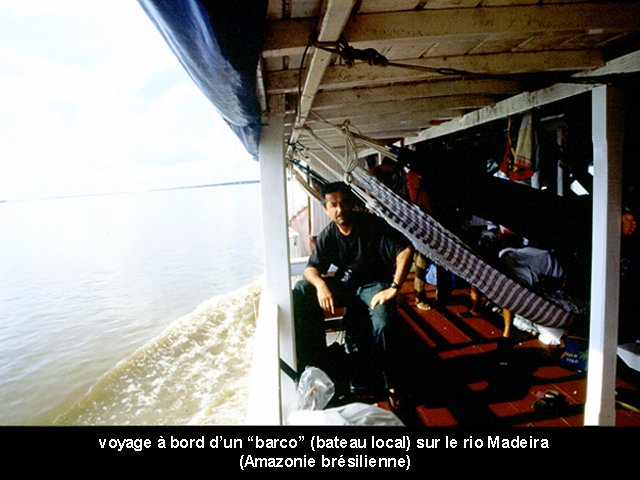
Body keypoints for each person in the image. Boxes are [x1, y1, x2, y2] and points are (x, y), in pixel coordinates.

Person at [293, 182, 414, 401]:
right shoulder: (330, 234)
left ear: (351, 204)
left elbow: (405, 250)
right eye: (333, 205)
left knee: (383, 322)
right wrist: (321, 285)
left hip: (374, 284)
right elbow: (310, 269)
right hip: (347, 284)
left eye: (344, 203)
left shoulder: (371, 225)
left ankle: (392, 383)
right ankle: (315, 363)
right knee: (302, 289)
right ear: (326, 209)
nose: (340, 209)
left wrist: (394, 288)